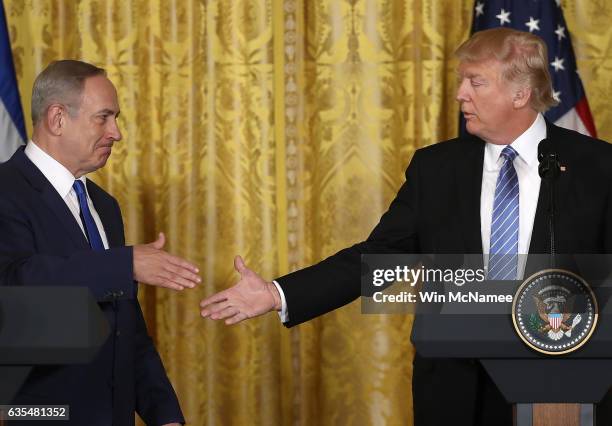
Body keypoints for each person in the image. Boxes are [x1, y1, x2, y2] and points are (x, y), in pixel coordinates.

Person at [200, 28, 612, 425]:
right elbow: (379, 258)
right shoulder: (436, 168)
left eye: (475, 82)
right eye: (461, 81)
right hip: (455, 390)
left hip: (560, 387)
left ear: (520, 93)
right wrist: (277, 293)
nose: (460, 94)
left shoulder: (598, 167)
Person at [0, 60, 201, 426]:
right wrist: (124, 265)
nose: (117, 133)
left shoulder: (105, 206)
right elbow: (14, 282)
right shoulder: (5, 189)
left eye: (116, 118)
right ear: (58, 118)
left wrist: (165, 415)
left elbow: (125, 325)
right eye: (104, 118)